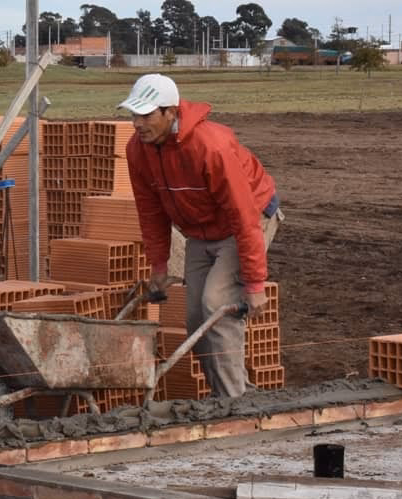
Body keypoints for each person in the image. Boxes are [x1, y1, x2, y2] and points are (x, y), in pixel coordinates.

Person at [120, 73, 281, 398]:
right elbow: (150, 212)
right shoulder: (139, 150)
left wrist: (254, 284)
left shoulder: (211, 147)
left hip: (249, 219)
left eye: (146, 115)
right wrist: (160, 267)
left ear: (171, 112)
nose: (138, 123)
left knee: (216, 306)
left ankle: (232, 404)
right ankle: (236, 393)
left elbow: (244, 215)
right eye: (134, 115)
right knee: (195, 318)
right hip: (201, 231)